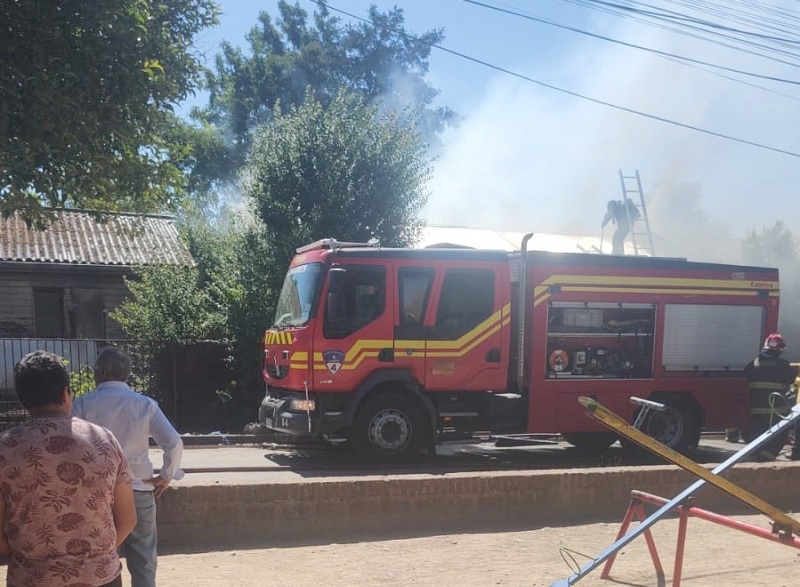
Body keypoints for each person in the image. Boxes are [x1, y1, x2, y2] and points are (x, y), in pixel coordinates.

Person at [0, 350, 137, 586]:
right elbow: (128, 519)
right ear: (66, 393)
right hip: (100, 577)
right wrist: (97, 558)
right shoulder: (104, 441)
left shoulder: (6, 448)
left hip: (33, 578)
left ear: (23, 399)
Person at [72, 347, 184, 587]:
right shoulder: (145, 405)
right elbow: (174, 442)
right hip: (138, 488)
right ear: (127, 373)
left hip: (96, 493)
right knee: (143, 559)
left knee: (98, 558)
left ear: (100, 372)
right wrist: (166, 475)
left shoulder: (82, 405)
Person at [740, 333, 796, 459]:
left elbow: (746, 377)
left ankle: (754, 453)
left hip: (756, 409)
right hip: (776, 410)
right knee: (780, 431)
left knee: (757, 431)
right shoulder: (783, 366)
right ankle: (768, 455)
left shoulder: (753, 364)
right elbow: (790, 381)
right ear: (780, 348)